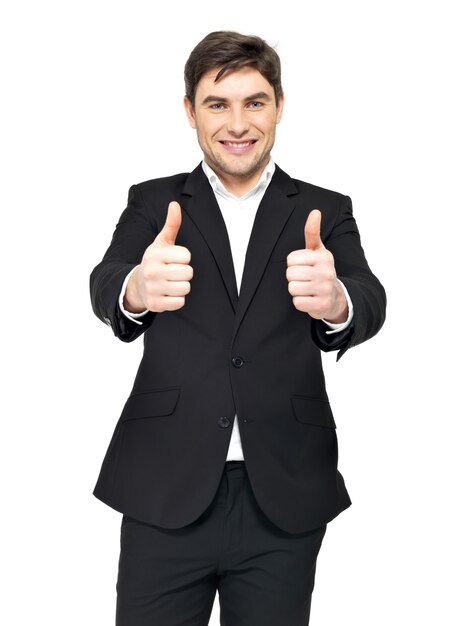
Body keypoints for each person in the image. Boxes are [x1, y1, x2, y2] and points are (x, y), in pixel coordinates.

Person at [90, 30, 386, 626]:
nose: (238, 123)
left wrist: (336, 301)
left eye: (254, 102)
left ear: (279, 105)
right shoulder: (153, 203)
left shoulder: (325, 209)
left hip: (283, 489)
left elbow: (369, 298)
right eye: (217, 104)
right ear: (189, 112)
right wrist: (136, 289)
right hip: (164, 486)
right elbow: (107, 281)